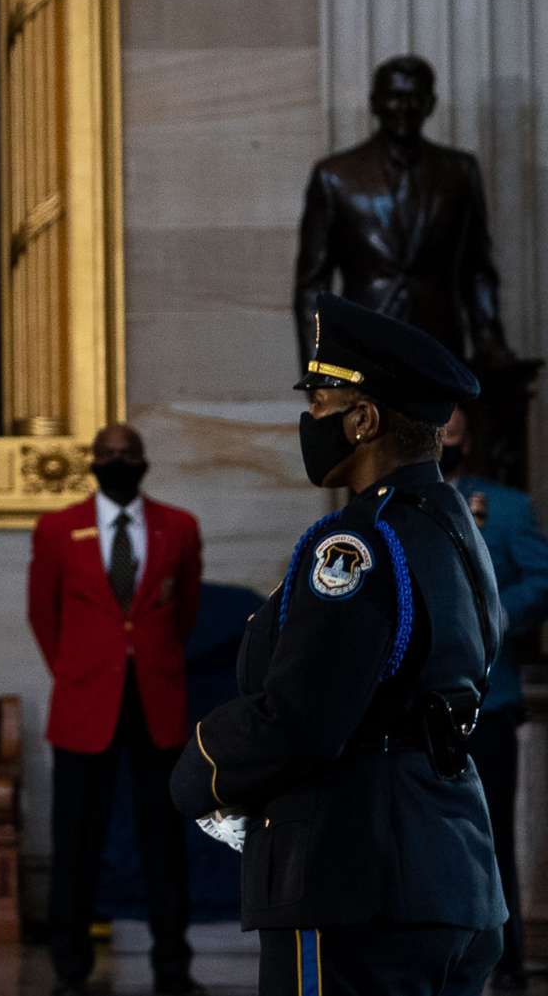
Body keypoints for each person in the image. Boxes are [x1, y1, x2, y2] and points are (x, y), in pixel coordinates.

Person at [173, 292, 505, 996]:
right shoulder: (453, 525)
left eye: (322, 403)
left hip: (353, 876)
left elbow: (303, 716)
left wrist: (201, 766)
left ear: (365, 418)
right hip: (453, 875)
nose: (310, 421)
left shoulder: (354, 542)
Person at [27, 423, 206, 996]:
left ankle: (173, 968)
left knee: (165, 844)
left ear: (144, 461)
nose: (119, 461)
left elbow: (186, 615)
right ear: (93, 463)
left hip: (157, 703)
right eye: (108, 454)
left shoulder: (179, 526)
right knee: (76, 842)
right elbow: (43, 614)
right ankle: (70, 969)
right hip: (85, 707)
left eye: (129, 454)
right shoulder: (57, 528)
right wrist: (81, 673)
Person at [296, 55, 511, 367]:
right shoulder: (335, 177)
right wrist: (317, 366)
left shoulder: (460, 172)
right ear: (375, 103)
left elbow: (476, 267)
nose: (405, 108)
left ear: (430, 104)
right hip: (364, 346)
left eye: (414, 98)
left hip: (439, 347)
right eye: (395, 97)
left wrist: (488, 337)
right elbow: (312, 285)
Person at [442, 406, 548, 992]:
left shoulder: (504, 508)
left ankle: (503, 959)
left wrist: (498, 609)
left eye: (452, 432)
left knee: (489, 833)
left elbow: (544, 574)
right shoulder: (395, 506)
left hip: (489, 696)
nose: (444, 442)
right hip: (412, 707)